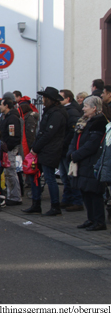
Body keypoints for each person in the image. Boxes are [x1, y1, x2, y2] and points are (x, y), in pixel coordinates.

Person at [22, 87, 68, 216]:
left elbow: (49, 134)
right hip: (44, 149)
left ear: (50, 99)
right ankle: (36, 204)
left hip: (50, 150)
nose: (42, 101)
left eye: (44, 98)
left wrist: (35, 148)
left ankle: (55, 206)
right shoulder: (50, 112)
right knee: (34, 175)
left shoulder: (57, 114)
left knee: (49, 178)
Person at [68, 96, 107, 231]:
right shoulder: (84, 122)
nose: (83, 108)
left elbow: (92, 144)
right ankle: (91, 219)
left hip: (92, 162)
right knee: (85, 191)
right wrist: (72, 152)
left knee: (94, 193)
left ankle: (99, 221)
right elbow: (76, 139)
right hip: (83, 161)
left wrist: (76, 155)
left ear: (94, 108)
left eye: (86, 106)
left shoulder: (100, 123)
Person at [58, 90, 83, 211]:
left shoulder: (72, 111)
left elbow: (72, 131)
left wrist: (63, 143)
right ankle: (67, 198)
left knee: (71, 175)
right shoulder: (66, 110)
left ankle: (76, 200)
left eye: (61, 97)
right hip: (63, 148)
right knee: (64, 175)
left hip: (67, 148)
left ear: (68, 99)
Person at [0, 98, 23, 206]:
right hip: (7, 148)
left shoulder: (12, 118)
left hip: (9, 149)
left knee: (11, 173)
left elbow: (13, 136)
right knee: (8, 174)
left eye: (1, 105)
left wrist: (7, 148)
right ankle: (11, 195)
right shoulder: (6, 117)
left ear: (7, 106)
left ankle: (15, 197)